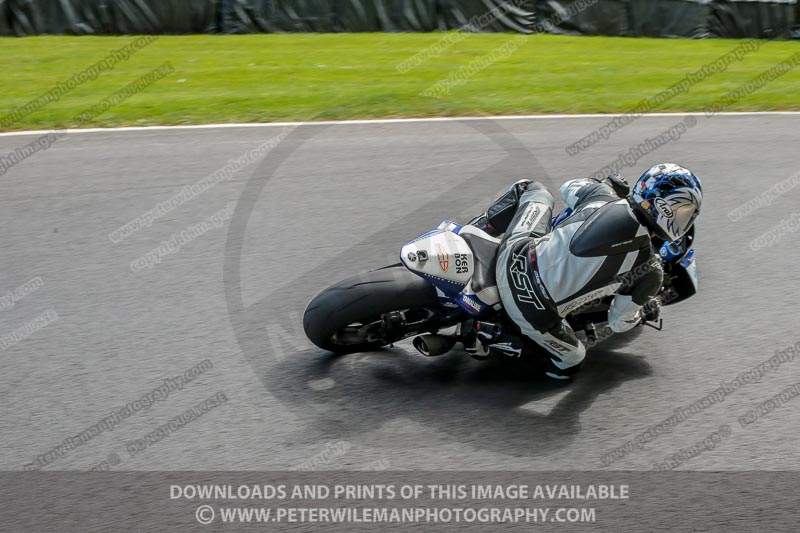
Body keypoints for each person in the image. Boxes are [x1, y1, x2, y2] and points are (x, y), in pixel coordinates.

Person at [465, 163, 702, 380]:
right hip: (531, 312)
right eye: (684, 213)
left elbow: (569, 187)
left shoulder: (602, 197)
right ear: (669, 210)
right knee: (570, 361)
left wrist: (601, 185)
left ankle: (469, 232)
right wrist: (642, 313)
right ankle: (495, 335)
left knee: (531, 188)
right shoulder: (650, 270)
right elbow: (618, 323)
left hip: (513, 256)